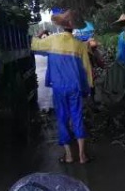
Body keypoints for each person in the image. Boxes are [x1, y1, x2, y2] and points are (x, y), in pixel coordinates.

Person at [31, 10, 93, 164]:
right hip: (75, 87)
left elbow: (33, 45)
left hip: (59, 88)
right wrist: (89, 87)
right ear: (73, 28)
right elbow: (87, 69)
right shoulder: (80, 45)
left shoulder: (52, 40)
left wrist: (40, 34)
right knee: (77, 117)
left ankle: (69, 156)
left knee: (62, 119)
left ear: (60, 26)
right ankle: (82, 155)